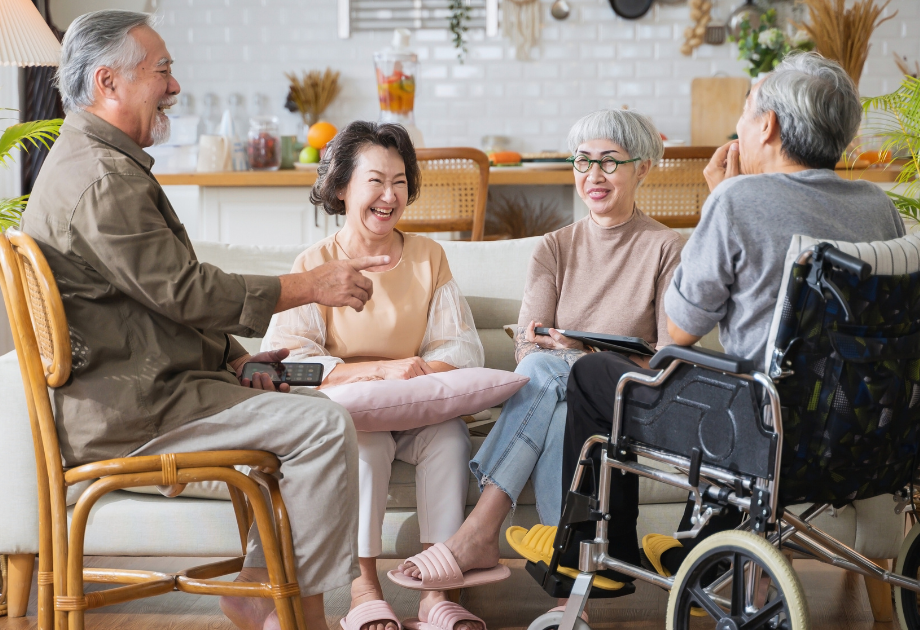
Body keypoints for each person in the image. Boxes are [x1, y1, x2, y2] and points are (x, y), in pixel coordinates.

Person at [22, 11, 385, 630]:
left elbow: (153, 301)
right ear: (108, 82)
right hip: (136, 413)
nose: (174, 85)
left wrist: (235, 358)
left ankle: (258, 588)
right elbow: (185, 291)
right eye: (162, 70)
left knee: (308, 413)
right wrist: (311, 286)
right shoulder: (103, 180)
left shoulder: (92, 162)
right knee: (324, 426)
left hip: (142, 394)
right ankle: (297, 613)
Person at [560, 51, 907, 582]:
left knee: (593, 374)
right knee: (720, 382)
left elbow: (679, 330)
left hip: (760, 430)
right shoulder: (876, 205)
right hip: (861, 432)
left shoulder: (738, 199)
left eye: (745, 112)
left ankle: (600, 555)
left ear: (767, 126)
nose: (739, 127)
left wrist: (720, 199)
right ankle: (700, 548)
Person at [394, 109, 685, 598]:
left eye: (610, 162)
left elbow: (665, 362)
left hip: (627, 401)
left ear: (643, 168)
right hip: (566, 398)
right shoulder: (554, 247)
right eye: (583, 161)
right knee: (559, 402)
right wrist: (567, 355)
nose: (594, 175)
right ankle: (571, 589)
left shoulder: (665, 247)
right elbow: (528, 346)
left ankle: (481, 527)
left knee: (549, 373)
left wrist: (582, 349)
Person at [261, 120, 487, 630]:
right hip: (355, 416)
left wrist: (413, 377)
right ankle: (363, 589)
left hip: (419, 408)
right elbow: (289, 361)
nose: (390, 195)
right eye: (376, 181)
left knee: (450, 438)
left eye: (400, 181)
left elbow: (460, 346)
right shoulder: (315, 263)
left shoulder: (429, 256)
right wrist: (379, 372)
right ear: (341, 187)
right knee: (364, 445)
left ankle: (437, 593)